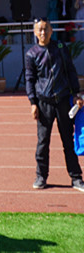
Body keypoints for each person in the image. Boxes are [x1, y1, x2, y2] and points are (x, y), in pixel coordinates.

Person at [24, 18, 84, 192]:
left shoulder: (60, 48)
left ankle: (76, 178)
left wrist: (76, 94)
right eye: (40, 30)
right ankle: (41, 177)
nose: (43, 33)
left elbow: (70, 71)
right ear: (35, 33)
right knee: (43, 142)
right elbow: (30, 79)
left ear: (51, 31)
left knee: (68, 141)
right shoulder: (31, 54)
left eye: (46, 29)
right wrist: (33, 103)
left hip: (63, 101)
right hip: (44, 103)